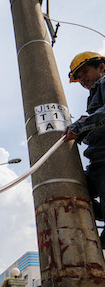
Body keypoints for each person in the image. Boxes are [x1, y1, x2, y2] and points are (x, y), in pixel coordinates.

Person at [64, 51, 105, 248]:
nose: (82, 79)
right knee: (77, 190)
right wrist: (83, 131)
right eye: (78, 77)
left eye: (85, 72)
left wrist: (79, 127)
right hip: (98, 163)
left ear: (101, 67)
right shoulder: (94, 96)